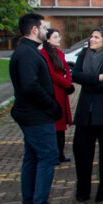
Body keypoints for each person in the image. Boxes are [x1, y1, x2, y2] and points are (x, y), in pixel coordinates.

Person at [10, 13, 70, 204]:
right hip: (36, 115)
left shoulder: (28, 51)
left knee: (33, 157)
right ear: (34, 30)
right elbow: (30, 86)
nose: (46, 30)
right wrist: (51, 105)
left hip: (33, 114)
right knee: (47, 156)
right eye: (43, 27)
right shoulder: (26, 53)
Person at [71, 26, 103, 202]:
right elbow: (75, 76)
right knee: (82, 153)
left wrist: (90, 84)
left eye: (96, 37)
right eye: (91, 36)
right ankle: (82, 191)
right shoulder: (84, 55)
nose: (92, 39)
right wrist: (94, 79)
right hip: (85, 112)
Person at [40, 28, 74, 164]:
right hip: (54, 91)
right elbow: (51, 74)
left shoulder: (59, 53)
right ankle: (53, 154)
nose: (58, 39)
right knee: (55, 124)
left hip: (62, 91)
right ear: (47, 39)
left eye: (58, 37)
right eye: (55, 37)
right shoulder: (43, 54)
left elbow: (66, 69)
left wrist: (68, 83)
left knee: (61, 125)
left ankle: (60, 153)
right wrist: (67, 84)